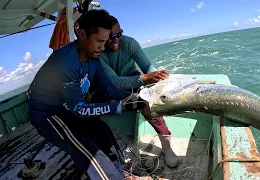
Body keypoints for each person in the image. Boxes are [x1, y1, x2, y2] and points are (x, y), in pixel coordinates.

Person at [26, 9, 139, 180]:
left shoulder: (94, 58)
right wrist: (118, 106)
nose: (103, 47)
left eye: (105, 41)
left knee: (101, 129)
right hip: (46, 114)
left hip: (68, 106)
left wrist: (134, 99)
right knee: (86, 149)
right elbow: (79, 109)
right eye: (99, 41)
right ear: (82, 35)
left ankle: (121, 171)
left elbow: (108, 88)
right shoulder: (65, 62)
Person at [92, 15, 179, 168]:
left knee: (149, 102)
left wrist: (158, 77)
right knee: (92, 108)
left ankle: (166, 145)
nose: (116, 39)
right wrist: (145, 78)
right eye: (111, 37)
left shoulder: (129, 43)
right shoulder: (98, 53)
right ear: (102, 37)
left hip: (133, 79)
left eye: (119, 34)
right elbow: (113, 82)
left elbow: (148, 67)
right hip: (109, 86)